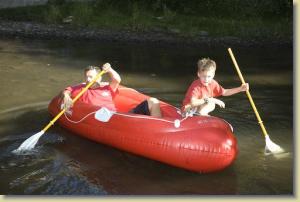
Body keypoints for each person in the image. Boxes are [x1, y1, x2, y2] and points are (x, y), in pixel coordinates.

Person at [61, 63, 162, 117]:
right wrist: (66, 96)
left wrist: (109, 70)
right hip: (104, 119)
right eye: (86, 77)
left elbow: (117, 79)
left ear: (99, 77)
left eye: (91, 77)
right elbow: (68, 89)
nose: (88, 79)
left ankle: (158, 128)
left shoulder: (107, 88)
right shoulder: (81, 88)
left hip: (119, 116)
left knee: (153, 101)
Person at [182, 58, 249, 116]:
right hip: (188, 110)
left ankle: (201, 116)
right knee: (211, 102)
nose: (206, 79)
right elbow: (193, 103)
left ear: (213, 75)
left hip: (198, 110)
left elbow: (225, 92)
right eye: (203, 76)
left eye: (209, 76)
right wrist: (211, 99)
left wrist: (240, 89)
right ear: (198, 74)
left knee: (211, 104)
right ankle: (200, 116)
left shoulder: (213, 83)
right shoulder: (196, 85)